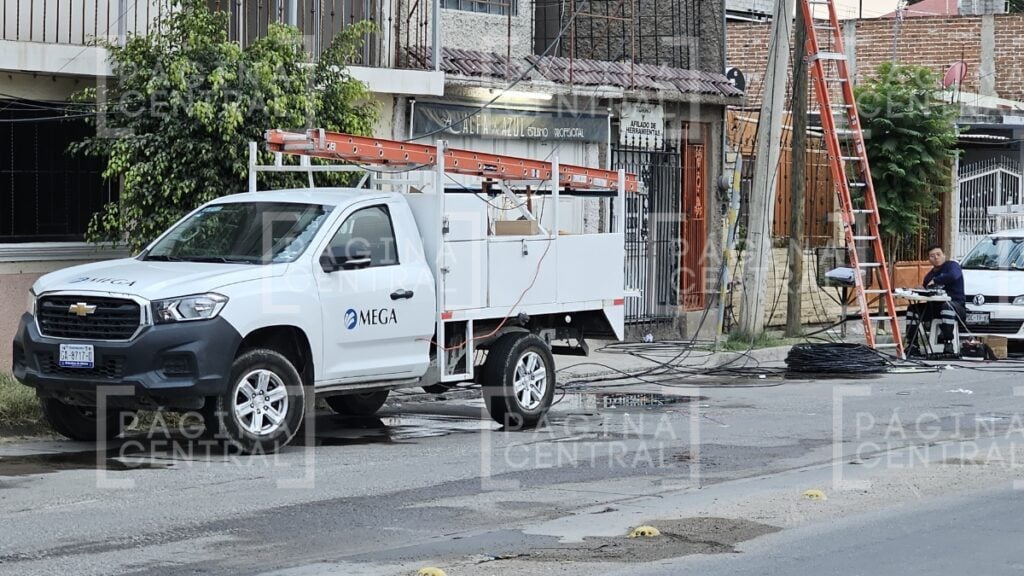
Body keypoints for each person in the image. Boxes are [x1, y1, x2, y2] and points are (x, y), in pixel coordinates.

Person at [905, 245, 966, 356]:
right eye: (932, 256)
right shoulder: (929, 276)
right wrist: (921, 290)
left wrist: (936, 280)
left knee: (946, 307)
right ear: (929, 259)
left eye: (938, 254)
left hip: (956, 307)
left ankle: (948, 345)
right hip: (934, 308)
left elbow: (953, 276)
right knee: (912, 309)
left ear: (944, 255)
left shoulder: (952, 266)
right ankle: (912, 345)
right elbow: (927, 291)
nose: (936, 258)